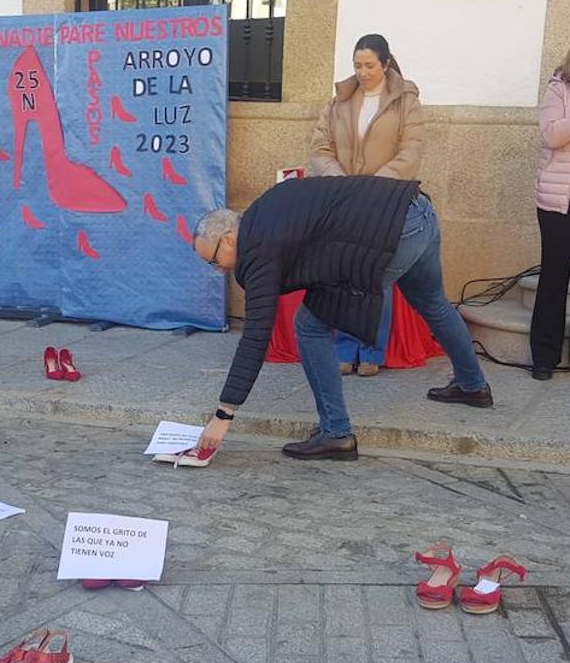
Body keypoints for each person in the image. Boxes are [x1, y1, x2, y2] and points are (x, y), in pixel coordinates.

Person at [192, 176, 492, 461]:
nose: (218, 270)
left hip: (392, 234)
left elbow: (256, 336)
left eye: (213, 261)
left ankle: (336, 433)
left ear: (228, 239)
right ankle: (472, 385)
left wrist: (224, 414)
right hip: (417, 210)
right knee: (433, 302)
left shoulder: (258, 249)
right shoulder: (263, 210)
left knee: (310, 327)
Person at [308, 33, 428, 376]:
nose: (362, 72)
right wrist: (341, 182)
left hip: (384, 201)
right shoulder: (340, 101)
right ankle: (345, 349)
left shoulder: (406, 101)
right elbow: (320, 147)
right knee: (346, 274)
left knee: (377, 277)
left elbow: (412, 149)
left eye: (370, 65)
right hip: (345, 199)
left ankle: (372, 351)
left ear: (385, 64)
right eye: (357, 65)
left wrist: (376, 185)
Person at [530, 48, 570, 380]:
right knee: (554, 278)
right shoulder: (559, 88)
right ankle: (544, 357)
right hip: (558, 201)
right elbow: (551, 135)